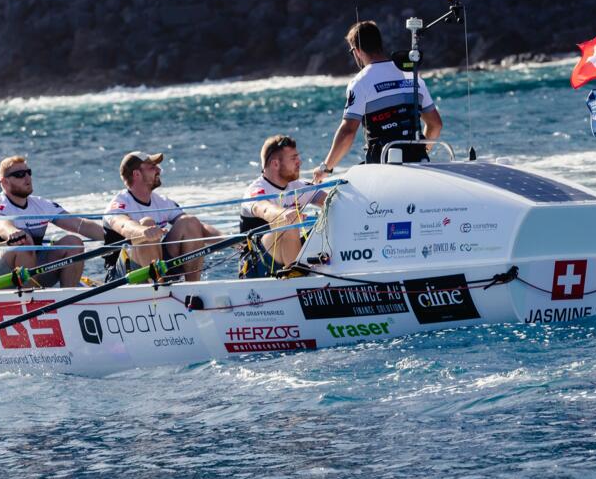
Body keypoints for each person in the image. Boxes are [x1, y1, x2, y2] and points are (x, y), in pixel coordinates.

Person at [313, 20, 443, 181]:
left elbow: (348, 132)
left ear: (357, 50)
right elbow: (436, 124)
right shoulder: (412, 74)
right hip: (419, 165)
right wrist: (421, 150)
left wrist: (326, 168)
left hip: (383, 170)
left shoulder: (360, 82)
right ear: (379, 45)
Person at [0, 156, 104, 288]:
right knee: (23, 244)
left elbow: (80, 225)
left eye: (28, 172)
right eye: (20, 174)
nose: (27, 178)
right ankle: (30, 297)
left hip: (32, 271)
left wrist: (111, 235)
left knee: (73, 243)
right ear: (5, 182)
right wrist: (12, 232)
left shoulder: (41, 204)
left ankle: (68, 294)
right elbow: (1, 225)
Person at [103, 151, 221, 282]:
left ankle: (193, 287)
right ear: (137, 174)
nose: (159, 170)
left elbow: (199, 227)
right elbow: (123, 225)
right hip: (123, 276)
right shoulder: (118, 203)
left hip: (157, 266)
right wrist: (143, 231)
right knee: (147, 223)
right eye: (152, 167)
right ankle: (159, 288)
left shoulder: (162, 201)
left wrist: (229, 239)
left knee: (189, 221)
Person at [239, 135, 325, 278]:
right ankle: (297, 278)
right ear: (275, 164)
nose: (299, 162)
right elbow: (265, 209)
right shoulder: (256, 190)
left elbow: (330, 201)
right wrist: (284, 213)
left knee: (331, 216)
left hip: (285, 253)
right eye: (293, 158)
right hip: (257, 264)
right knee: (286, 222)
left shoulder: (297, 186)